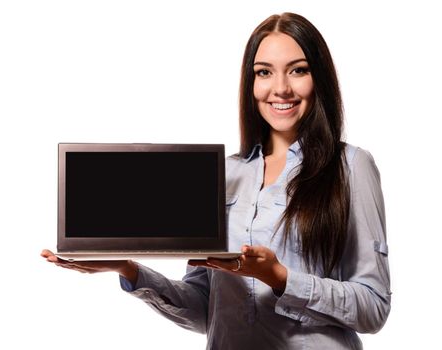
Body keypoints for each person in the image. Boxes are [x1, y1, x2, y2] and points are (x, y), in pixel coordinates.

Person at [41, 12, 391, 349]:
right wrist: (128, 269)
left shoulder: (350, 166)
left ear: (320, 79)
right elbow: (205, 312)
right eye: (264, 72)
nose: (280, 88)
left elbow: (374, 307)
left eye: (298, 70)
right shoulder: (227, 174)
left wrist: (280, 278)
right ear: (250, 82)